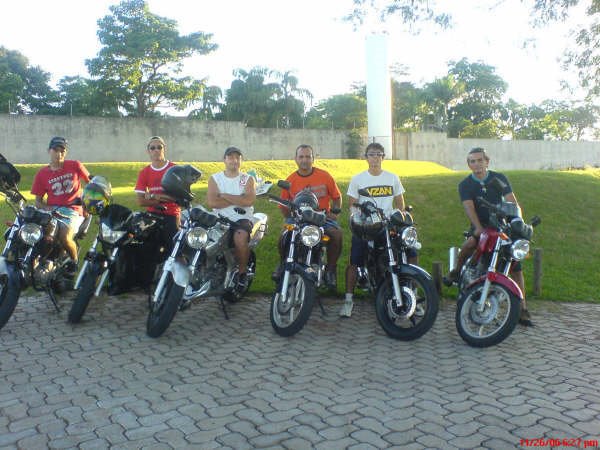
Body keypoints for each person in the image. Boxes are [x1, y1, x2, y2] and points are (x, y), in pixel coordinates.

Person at [444, 147, 532, 326]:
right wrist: (478, 228)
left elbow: (512, 202)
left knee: (516, 266)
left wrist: (518, 222)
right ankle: (456, 271)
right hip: (482, 225)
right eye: (472, 161)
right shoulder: (465, 184)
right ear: (469, 164)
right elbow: (469, 207)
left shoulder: (499, 178)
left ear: (487, 161)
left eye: (479, 160)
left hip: (502, 226)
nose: (477, 164)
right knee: (469, 244)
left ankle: (522, 308)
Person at [340, 142, 416, 317]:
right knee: (355, 258)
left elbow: (400, 203)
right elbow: (352, 205)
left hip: (387, 224)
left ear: (383, 157)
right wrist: (360, 219)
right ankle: (348, 299)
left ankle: (413, 293)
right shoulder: (358, 179)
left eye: (378, 154)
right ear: (366, 157)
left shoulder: (392, 177)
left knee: (410, 250)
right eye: (371, 154)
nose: (375, 157)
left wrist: (400, 217)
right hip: (366, 225)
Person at [276, 144, 342, 290]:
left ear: (313, 159)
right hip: (298, 218)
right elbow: (283, 205)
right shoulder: (290, 179)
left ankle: (330, 270)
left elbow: (337, 197)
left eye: (308, 157)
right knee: (284, 236)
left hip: (321, 218)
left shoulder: (325, 176)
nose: (304, 160)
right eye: (301, 157)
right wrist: (290, 217)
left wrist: (334, 213)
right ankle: (283, 263)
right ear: (296, 159)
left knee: (336, 235)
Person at [31, 137, 91, 275]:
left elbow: (92, 184)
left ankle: (74, 262)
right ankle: (40, 265)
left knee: (64, 237)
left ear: (66, 152)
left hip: (73, 209)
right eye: (55, 150)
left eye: (62, 151)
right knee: (38, 236)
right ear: (49, 151)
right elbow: (38, 201)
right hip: (52, 211)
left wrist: (87, 203)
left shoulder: (75, 165)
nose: (59, 154)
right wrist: (48, 209)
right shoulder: (42, 174)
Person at [206, 146, 256, 291]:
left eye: (237, 157)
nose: (234, 160)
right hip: (218, 217)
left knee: (240, 238)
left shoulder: (247, 179)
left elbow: (248, 201)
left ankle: (242, 273)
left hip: (242, 218)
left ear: (241, 160)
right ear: (224, 160)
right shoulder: (215, 178)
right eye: (230, 157)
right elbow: (212, 202)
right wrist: (239, 198)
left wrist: (223, 195)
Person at [134, 136, 180, 281]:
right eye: (152, 148)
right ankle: (147, 281)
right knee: (146, 247)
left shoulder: (174, 169)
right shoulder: (144, 172)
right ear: (148, 151)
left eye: (159, 147)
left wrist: (153, 196)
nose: (156, 150)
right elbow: (140, 201)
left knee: (173, 248)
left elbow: (178, 198)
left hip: (171, 214)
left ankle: (173, 280)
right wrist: (160, 199)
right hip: (152, 216)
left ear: (164, 149)